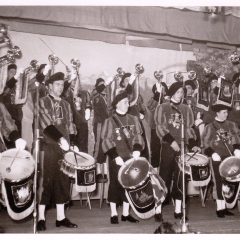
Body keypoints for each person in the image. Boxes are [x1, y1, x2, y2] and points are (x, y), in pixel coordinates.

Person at [37, 72, 78, 231]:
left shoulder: (67, 105)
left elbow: (71, 126)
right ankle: (41, 218)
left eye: (62, 84)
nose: (60, 87)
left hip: (65, 148)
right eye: (57, 84)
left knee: (63, 181)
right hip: (50, 146)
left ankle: (61, 218)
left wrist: (72, 143)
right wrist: (61, 140)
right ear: (49, 86)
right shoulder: (43, 101)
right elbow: (46, 124)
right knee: (47, 181)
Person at [154, 82, 200, 220]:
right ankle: (158, 210)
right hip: (168, 146)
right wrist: (171, 141)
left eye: (182, 92)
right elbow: (160, 127)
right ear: (172, 92)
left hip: (182, 147)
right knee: (164, 177)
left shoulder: (186, 109)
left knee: (181, 178)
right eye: (178, 92)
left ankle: (179, 210)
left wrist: (192, 144)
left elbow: (189, 129)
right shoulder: (163, 107)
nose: (181, 94)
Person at [101, 90, 145, 224]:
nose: (128, 105)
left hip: (130, 157)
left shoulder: (134, 119)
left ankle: (126, 214)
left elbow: (138, 136)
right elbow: (106, 139)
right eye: (125, 102)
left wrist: (137, 149)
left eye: (128, 102)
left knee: (130, 185)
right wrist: (114, 156)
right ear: (117, 104)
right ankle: (114, 213)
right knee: (114, 185)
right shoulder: (110, 121)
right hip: (117, 159)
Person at [201, 103, 240, 218]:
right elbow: (204, 142)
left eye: (227, 112)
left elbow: (236, 137)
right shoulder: (210, 127)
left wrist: (237, 149)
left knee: (228, 182)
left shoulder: (231, 125)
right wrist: (212, 153)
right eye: (224, 113)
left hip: (229, 157)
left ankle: (225, 206)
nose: (226, 115)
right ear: (217, 113)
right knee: (218, 181)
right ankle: (219, 207)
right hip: (217, 157)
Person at [62, 68, 91, 153]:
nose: (74, 81)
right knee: (72, 148)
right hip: (71, 123)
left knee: (83, 149)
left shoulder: (84, 92)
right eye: (72, 79)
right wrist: (69, 80)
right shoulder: (66, 93)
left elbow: (88, 103)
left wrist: (89, 108)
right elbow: (63, 91)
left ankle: (84, 166)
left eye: (76, 78)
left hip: (82, 124)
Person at [91, 78, 109, 182]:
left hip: (106, 124)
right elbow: (94, 93)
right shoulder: (96, 95)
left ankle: (105, 172)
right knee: (98, 146)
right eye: (100, 85)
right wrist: (104, 83)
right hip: (98, 123)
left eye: (104, 85)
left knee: (106, 146)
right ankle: (97, 172)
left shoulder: (107, 96)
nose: (103, 86)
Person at [0, 64, 24, 139]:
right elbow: (4, 92)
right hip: (6, 117)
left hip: (16, 116)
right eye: (11, 72)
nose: (14, 73)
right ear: (6, 73)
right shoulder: (2, 85)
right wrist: (15, 78)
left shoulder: (17, 86)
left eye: (15, 72)